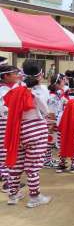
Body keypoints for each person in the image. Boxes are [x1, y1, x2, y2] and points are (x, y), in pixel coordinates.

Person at [5, 60, 51, 208]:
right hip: (36, 129)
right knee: (32, 167)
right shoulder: (40, 90)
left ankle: (13, 195)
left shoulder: (15, 88)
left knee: (16, 164)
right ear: (40, 74)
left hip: (18, 129)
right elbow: (45, 110)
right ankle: (34, 197)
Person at [0, 61, 21, 194]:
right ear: (6, 76)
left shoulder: (8, 88)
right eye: (14, 73)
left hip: (7, 122)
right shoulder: (3, 91)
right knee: (5, 150)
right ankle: (8, 181)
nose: (17, 75)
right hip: (4, 122)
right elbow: (4, 110)